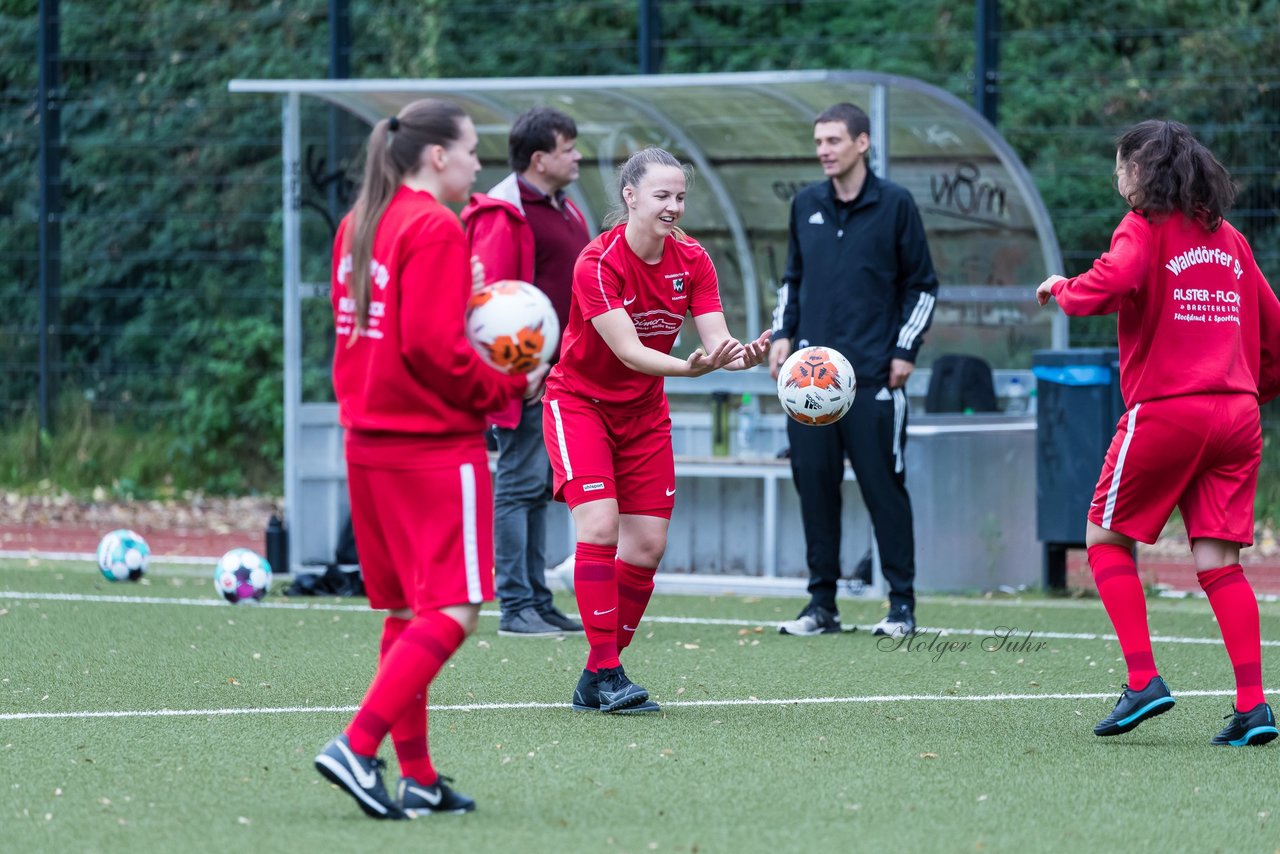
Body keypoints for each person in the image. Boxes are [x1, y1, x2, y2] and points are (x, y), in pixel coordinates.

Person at [315, 99, 543, 819]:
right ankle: (357, 744)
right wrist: (510, 383)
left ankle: (416, 776)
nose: (481, 162)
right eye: (472, 149)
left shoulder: (362, 221)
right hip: (430, 448)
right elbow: (431, 347)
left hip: (368, 442)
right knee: (454, 610)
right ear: (437, 156)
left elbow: (372, 332)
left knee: (405, 609)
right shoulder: (435, 226)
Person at [1036, 119, 1280, 746]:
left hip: (1172, 409)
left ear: (1139, 172)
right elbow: (1275, 334)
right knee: (1219, 562)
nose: (1117, 177)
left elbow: (1113, 281)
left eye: (1120, 165)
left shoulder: (1141, 228)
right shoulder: (1229, 240)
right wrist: (1246, 390)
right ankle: (1253, 707)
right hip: (1238, 416)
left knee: (1103, 536)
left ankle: (1143, 680)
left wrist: (1062, 288)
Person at [542, 147, 771, 713]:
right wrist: (691, 368)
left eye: (680, 197)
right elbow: (630, 351)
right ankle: (608, 671)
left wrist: (744, 356)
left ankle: (598, 675)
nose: (673, 207)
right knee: (599, 526)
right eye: (662, 196)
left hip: (643, 414)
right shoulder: (596, 262)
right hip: (580, 405)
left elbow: (715, 343)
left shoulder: (693, 259)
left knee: (646, 547)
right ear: (631, 196)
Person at [770, 103, 939, 639]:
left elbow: (923, 285)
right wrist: (781, 335)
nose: (824, 150)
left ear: (862, 143)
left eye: (834, 140)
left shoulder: (896, 205)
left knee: (883, 489)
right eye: (819, 141)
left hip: (874, 382)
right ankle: (821, 605)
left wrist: (904, 349)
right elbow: (791, 280)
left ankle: (901, 607)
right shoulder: (806, 204)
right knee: (814, 487)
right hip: (809, 386)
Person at [462, 107, 591, 638]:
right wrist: (523, 371)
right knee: (518, 485)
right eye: (568, 148)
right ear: (540, 159)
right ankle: (516, 605)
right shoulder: (503, 212)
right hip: (528, 380)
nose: (577, 156)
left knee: (538, 487)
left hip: (561, 377)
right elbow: (491, 304)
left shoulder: (564, 208)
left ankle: (536, 596)